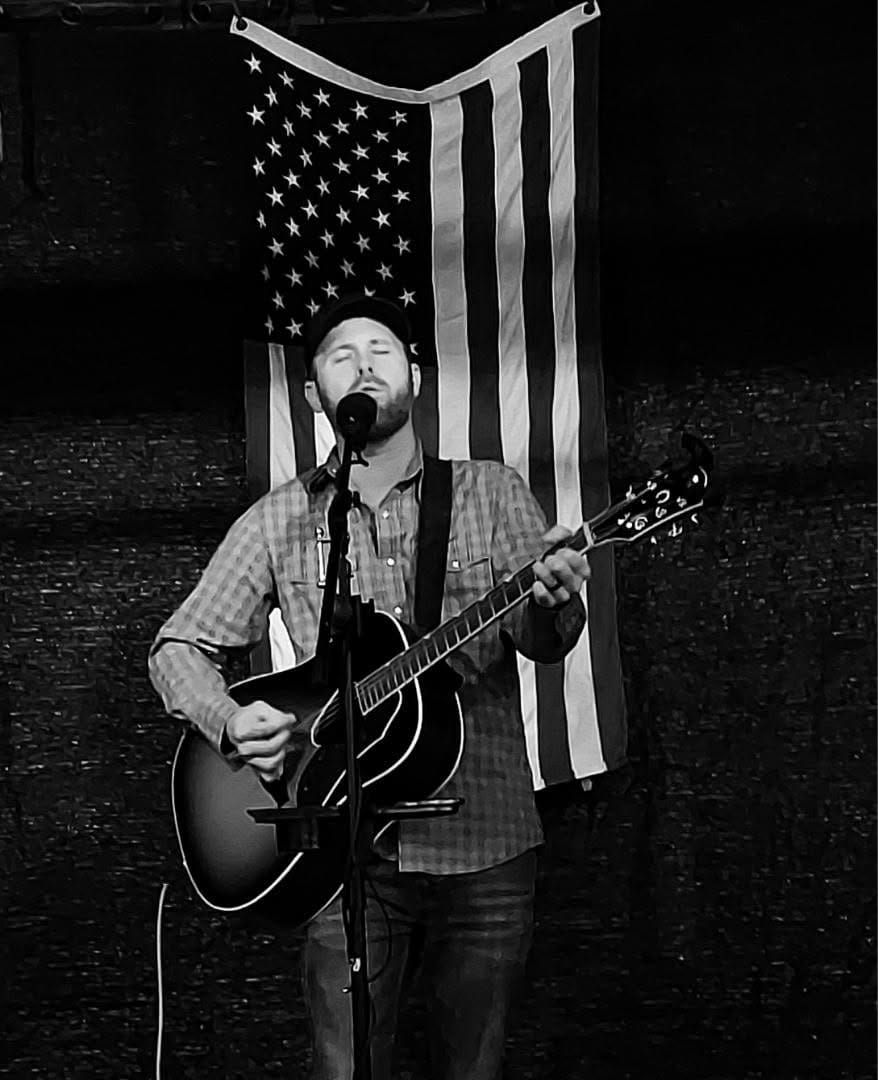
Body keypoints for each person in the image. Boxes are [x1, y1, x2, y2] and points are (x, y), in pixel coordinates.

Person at [148, 293, 590, 1080]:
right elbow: (178, 648)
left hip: (483, 839)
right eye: (341, 355)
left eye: (382, 351)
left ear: (415, 377)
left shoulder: (490, 492)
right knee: (345, 1068)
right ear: (314, 391)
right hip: (340, 849)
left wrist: (555, 601)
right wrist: (227, 720)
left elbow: (542, 639)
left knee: (473, 1069)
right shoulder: (282, 517)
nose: (363, 365)